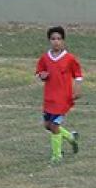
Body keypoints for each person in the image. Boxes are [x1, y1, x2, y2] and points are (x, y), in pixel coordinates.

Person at [35, 26, 82, 164]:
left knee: (54, 126)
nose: (56, 42)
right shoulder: (45, 58)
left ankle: (57, 155)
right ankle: (70, 137)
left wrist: (77, 90)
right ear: (49, 40)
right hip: (49, 98)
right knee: (47, 125)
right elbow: (39, 72)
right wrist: (42, 75)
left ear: (63, 41)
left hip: (63, 98)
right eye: (53, 39)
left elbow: (78, 75)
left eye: (59, 39)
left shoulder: (69, 58)